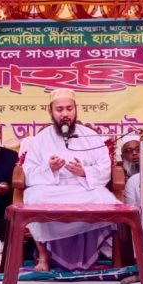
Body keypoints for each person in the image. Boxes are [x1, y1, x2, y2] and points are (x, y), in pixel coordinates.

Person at [23, 88, 118, 271]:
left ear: (76, 109)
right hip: (51, 190)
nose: (65, 114)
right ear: (50, 111)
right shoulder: (40, 139)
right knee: (34, 198)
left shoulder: (91, 137)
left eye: (69, 108)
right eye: (59, 110)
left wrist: (84, 172)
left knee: (107, 200)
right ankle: (43, 258)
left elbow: (105, 168)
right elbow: (28, 172)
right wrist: (49, 169)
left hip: (83, 189)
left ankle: (107, 257)